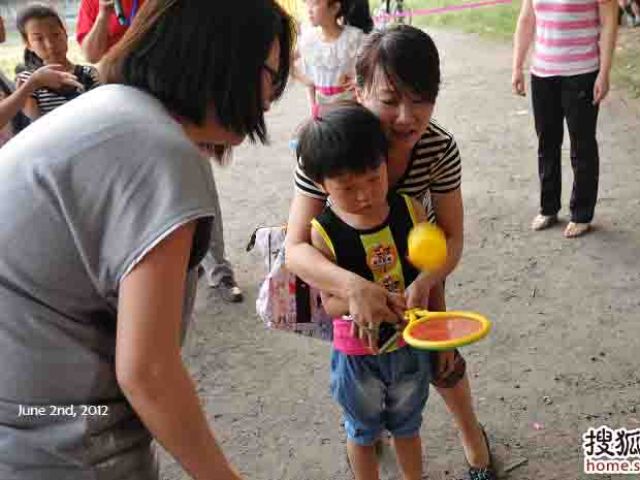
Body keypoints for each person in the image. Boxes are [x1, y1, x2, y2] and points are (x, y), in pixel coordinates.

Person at [0, 0, 293, 478]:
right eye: (270, 75)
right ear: (219, 59)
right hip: (51, 442)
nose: (270, 97)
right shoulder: (160, 150)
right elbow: (147, 373)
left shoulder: (113, 110)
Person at [285, 25, 496, 480]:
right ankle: (366, 433)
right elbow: (296, 247)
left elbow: (451, 236)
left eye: (421, 98)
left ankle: (473, 438)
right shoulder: (326, 147)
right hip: (347, 275)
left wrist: (425, 285)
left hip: (420, 269)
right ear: (358, 90)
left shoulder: (438, 148)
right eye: (390, 99)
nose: (407, 116)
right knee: (363, 369)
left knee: (443, 359)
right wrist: (352, 287)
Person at [301, 104, 437, 480]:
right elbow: (329, 304)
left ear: (385, 164)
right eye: (347, 187)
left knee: (408, 427)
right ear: (321, 184)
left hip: (409, 346)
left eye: (374, 178)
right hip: (356, 356)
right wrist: (367, 299)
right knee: (362, 433)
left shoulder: (409, 210)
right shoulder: (322, 232)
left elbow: (430, 262)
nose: (364, 195)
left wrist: (423, 282)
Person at [512, 0, 618, 238]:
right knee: (546, 142)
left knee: (582, 146)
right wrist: (517, 65)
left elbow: (609, 21)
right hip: (542, 73)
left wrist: (604, 72)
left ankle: (582, 214)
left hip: (582, 72)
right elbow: (527, 19)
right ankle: (548, 208)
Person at [13, 4, 99, 120]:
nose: (50, 45)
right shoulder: (27, 81)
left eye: (56, 35)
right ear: (28, 44)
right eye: (39, 39)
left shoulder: (89, 74)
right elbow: (36, 125)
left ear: (65, 33)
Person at [296, 0, 373, 112]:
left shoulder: (354, 38)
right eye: (308, 4)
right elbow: (310, 82)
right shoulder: (309, 41)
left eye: (315, 4)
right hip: (323, 109)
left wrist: (359, 79)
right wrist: (313, 107)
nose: (309, 10)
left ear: (334, 8)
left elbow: (374, 64)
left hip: (350, 106)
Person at [76, 0, 147, 63]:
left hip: (147, 66)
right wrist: (103, 15)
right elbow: (92, 56)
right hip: (113, 71)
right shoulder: (91, 2)